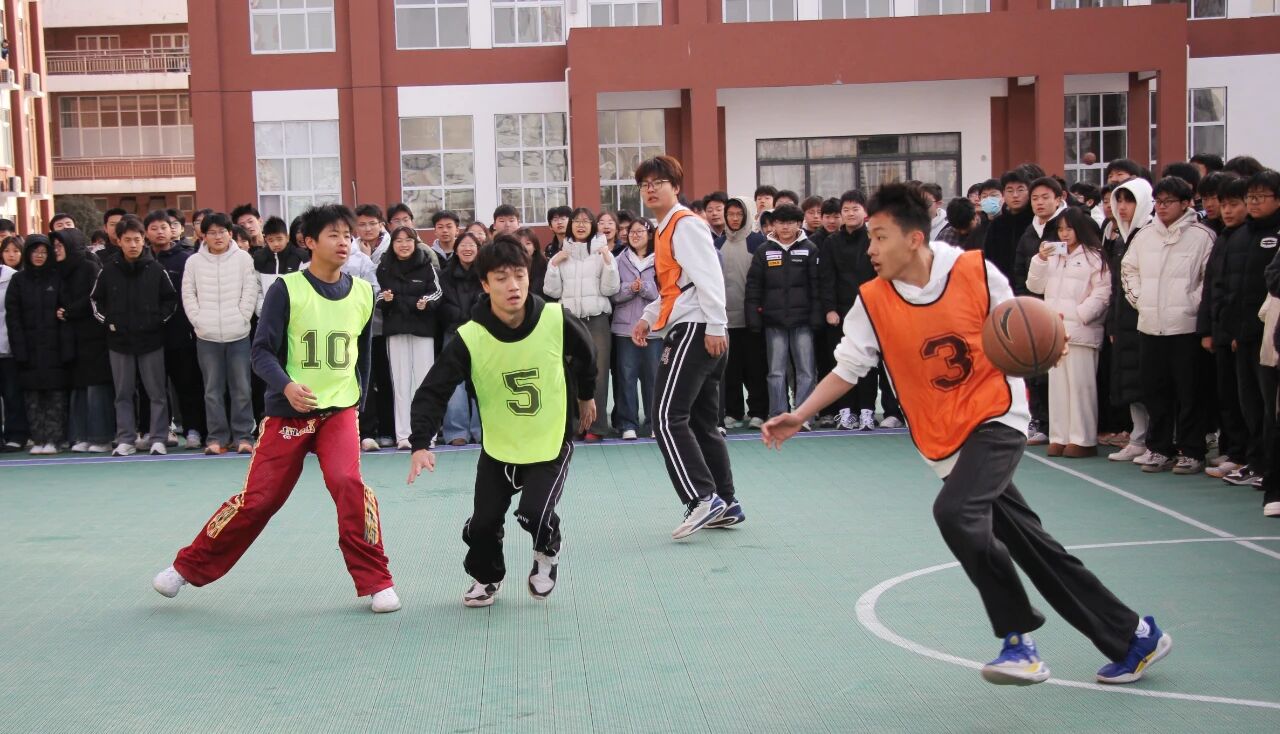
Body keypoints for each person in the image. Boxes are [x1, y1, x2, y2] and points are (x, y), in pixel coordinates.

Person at [762, 182, 1171, 689]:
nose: (870, 249)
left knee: (955, 512)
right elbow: (849, 367)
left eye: (880, 237)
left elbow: (1020, 325)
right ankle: (1133, 636)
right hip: (943, 435)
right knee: (1033, 547)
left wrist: (1051, 342)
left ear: (914, 238)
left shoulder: (975, 271)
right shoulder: (872, 300)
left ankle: (1018, 640)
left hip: (995, 416)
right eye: (869, 238)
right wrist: (800, 414)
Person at [152, 203, 400, 614]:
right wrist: (286, 386)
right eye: (334, 235)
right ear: (310, 241)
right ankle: (186, 568)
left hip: (339, 410)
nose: (344, 243)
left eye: (348, 235)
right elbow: (261, 352)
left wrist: (357, 404)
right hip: (289, 413)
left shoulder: (362, 292)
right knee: (260, 500)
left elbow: (364, 357)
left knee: (348, 484)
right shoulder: (287, 289)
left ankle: (377, 581)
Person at [406, 236, 595, 606]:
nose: (513, 286)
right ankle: (487, 576)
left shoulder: (555, 319)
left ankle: (547, 550)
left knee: (534, 514)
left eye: (519, 275)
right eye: (501, 278)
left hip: (548, 439)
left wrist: (586, 395)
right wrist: (420, 442)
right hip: (499, 445)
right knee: (483, 525)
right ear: (485, 284)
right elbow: (434, 390)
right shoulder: (470, 337)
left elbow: (587, 354)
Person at [631, 156, 742, 538]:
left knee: (665, 417)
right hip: (695, 324)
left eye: (658, 182)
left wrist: (716, 324)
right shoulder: (665, 229)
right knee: (699, 421)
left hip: (697, 328)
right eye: (645, 184)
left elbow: (709, 277)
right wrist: (648, 317)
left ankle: (701, 497)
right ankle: (726, 501)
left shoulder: (685, 224)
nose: (650, 189)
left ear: (676, 187)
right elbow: (675, 287)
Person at [1121, 176, 1215, 474]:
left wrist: (1189, 303)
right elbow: (1128, 269)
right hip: (1150, 325)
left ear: (1186, 203)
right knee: (1155, 391)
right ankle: (1159, 447)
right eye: (1158, 202)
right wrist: (1141, 299)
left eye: (1169, 202)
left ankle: (1192, 450)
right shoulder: (1145, 235)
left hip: (1186, 328)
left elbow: (1208, 279)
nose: (1162, 207)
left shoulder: (1202, 236)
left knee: (1190, 393)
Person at [90, 215, 178, 457]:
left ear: (144, 240)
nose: (133, 244)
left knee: (157, 393)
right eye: (127, 240)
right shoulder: (108, 270)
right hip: (119, 343)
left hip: (151, 342)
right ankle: (126, 439)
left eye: (137, 239)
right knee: (123, 394)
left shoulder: (156, 269)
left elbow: (170, 301)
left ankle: (158, 438)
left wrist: (156, 322)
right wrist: (110, 323)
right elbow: (95, 301)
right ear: (119, 241)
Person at [1027, 208, 1111, 457]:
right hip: (1056, 331)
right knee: (1058, 389)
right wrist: (1040, 260)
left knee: (1081, 388)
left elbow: (1103, 292)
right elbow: (1035, 285)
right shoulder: (1053, 256)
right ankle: (1059, 437)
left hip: (1082, 331)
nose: (1064, 234)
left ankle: (1082, 439)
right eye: (1061, 229)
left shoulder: (1095, 257)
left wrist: (1082, 314)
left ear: (1080, 229)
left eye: (1069, 228)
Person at [183, 212, 261, 455]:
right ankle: (217, 438)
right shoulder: (194, 262)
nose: (218, 237)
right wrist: (198, 321)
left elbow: (250, 290)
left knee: (242, 388)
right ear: (203, 236)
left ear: (230, 233)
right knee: (212, 390)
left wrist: (242, 316)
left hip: (238, 334)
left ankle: (243, 437)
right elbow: (188, 294)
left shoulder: (243, 259)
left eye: (222, 232)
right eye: (212, 232)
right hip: (206, 336)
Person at [543, 208, 619, 441]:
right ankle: (574, 425)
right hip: (569, 321)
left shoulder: (602, 253)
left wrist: (608, 262)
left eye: (586, 221)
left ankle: (596, 427)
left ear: (593, 225)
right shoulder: (561, 254)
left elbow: (610, 289)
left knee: (598, 375)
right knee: (569, 372)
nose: (581, 225)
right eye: (577, 221)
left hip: (597, 319)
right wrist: (553, 265)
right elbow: (551, 291)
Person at [747, 203, 822, 424]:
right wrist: (753, 316)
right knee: (776, 371)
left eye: (790, 222)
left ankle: (804, 415)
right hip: (773, 321)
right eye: (780, 222)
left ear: (799, 224)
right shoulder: (764, 250)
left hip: (803, 321)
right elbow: (754, 287)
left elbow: (817, 286)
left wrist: (817, 315)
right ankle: (778, 414)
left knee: (806, 370)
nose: (785, 227)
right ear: (773, 225)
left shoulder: (810, 248)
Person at [376, 225, 442, 450]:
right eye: (398, 241)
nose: (403, 245)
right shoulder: (384, 267)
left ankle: (426, 435)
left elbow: (437, 292)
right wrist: (385, 299)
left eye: (408, 240)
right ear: (392, 244)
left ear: (415, 242)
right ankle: (403, 436)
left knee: (424, 383)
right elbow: (377, 296)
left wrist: (426, 302)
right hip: (395, 330)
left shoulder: (426, 264)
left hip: (422, 330)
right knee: (400, 384)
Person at [4, 236, 71, 454]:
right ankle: (39, 439)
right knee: (32, 397)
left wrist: (66, 348)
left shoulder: (57, 278)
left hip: (54, 348)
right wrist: (19, 349)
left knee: (55, 396)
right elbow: (13, 318)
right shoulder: (18, 280)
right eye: (35, 251)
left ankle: (54, 439)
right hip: (28, 348)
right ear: (28, 254)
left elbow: (65, 311)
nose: (39, 256)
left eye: (43, 251)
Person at [1104, 179, 1155, 465]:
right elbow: (1116, 285)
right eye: (1119, 201)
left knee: (1149, 382)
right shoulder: (1121, 239)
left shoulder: (1149, 234)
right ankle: (1138, 437)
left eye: (1129, 200)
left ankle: (1155, 438)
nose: (1122, 207)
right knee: (1130, 381)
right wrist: (1112, 323)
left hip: (1147, 318)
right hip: (1123, 319)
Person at [1202, 175, 1249, 480]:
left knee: (1248, 401)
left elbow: (1246, 291)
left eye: (1234, 204)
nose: (1227, 210)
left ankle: (1247, 456)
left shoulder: (1250, 238)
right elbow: (1212, 287)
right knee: (1228, 395)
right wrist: (1207, 328)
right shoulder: (1223, 238)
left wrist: (1236, 331)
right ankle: (1234, 451)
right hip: (1221, 329)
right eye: (1224, 204)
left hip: (1242, 332)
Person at [147, 209, 205, 450]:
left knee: (187, 384)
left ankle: (193, 430)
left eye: (164, 227)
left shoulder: (186, 259)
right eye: (154, 228)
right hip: (150, 335)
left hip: (181, 332)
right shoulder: (144, 260)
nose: (160, 232)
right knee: (155, 388)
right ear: (146, 232)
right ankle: (161, 430)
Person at [54, 228, 114, 453]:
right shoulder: (60, 270)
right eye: (55, 246)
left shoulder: (89, 266)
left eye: (60, 246)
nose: (56, 250)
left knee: (96, 387)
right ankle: (80, 435)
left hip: (94, 336)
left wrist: (69, 311)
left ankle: (101, 436)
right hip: (72, 337)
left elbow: (94, 297)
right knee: (78, 388)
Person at [718, 196, 768, 429]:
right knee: (730, 369)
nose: (735, 218)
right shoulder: (718, 243)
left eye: (739, 214)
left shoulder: (758, 242)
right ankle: (734, 411)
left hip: (751, 318)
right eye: (731, 214)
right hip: (725, 320)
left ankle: (758, 411)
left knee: (756, 368)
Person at [611, 218, 661, 440]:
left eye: (641, 231)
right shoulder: (618, 260)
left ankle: (653, 422)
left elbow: (666, 291)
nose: (635, 235)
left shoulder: (661, 258)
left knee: (654, 377)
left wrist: (645, 288)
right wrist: (630, 288)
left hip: (654, 328)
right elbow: (612, 292)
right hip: (625, 328)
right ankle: (627, 424)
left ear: (650, 235)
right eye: (632, 231)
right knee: (626, 376)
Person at [438, 232, 485, 446]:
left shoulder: (485, 273)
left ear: (478, 249)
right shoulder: (445, 275)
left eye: (471, 245)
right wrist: (458, 316)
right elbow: (442, 303)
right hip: (453, 331)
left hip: (481, 331)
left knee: (481, 380)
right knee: (454, 383)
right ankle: (456, 431)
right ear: (456, 250)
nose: (467, 249)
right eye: (463, 245)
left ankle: (481, 429)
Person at [0, 255, 27, 451]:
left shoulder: (11, 277)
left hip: (8, 345)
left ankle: (16, 435)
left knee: (12, 394)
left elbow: (15, 313)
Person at [254, 216, 308, 315]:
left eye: (279, 239)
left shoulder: (301, 258)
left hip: (294, 314)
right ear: (266, 240)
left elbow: (305, 288)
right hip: (267, 315)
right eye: (271, 240)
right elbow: (258, 289)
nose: (276, 244)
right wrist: (263, 310)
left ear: (287, 237)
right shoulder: (259, 259)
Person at [514, 226, 547, 299]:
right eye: (519, 244)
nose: (524, 247)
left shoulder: (544, 265)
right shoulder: (510, 266)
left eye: (528, 243)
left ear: (535, 246)